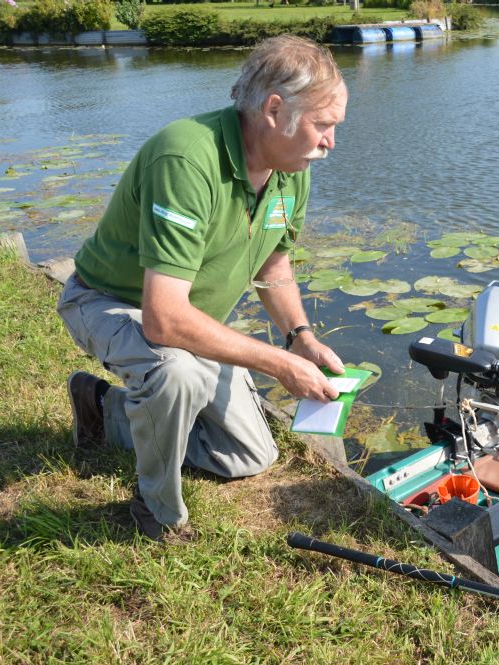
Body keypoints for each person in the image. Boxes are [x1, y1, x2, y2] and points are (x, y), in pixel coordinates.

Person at [57, 35, 348, 542]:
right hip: (106, 302)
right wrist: (277, 364)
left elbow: (275, 263)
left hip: (185, 316)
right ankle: (158, 512)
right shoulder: (187, 158)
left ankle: (102, 409)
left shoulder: (290, 171)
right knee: (176, 371)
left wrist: (299, 336)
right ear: (275, 110)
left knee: (248, 455)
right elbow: (163, 321)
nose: (330, 142)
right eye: (323, 125)